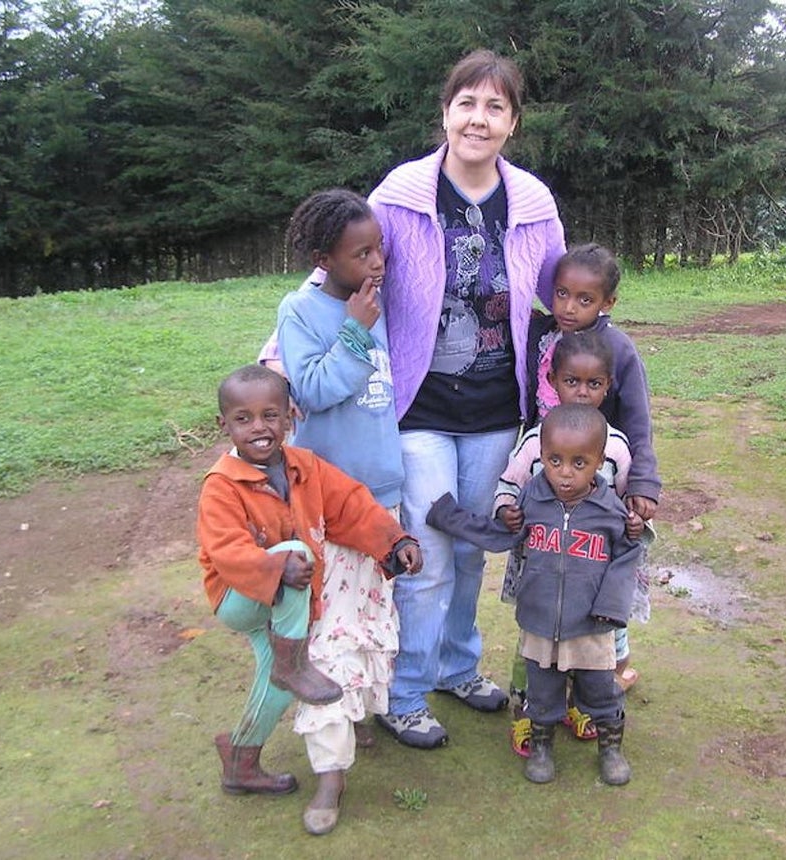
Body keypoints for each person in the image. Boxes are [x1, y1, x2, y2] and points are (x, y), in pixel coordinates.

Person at [366, 48, 567, 749]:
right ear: (446, 112)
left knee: (475, 549)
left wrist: (603, 366)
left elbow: (559, 297)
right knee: (426, 554)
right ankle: (406, 691)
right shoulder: (397, 195)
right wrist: (279, 357)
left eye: (495, 106)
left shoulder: (534, 202)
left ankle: (458, 667)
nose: (478, 119)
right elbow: (340, 276)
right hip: (418, 408)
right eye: (466, 103)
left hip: (493, 412)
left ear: (513, 122)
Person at [196, 365, 422, 826]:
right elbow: (227, 552)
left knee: (275, 684)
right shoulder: (221, 485)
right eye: (244, 418)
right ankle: (295, 662)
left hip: (285, 605)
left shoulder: (304, 466)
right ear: (225, 426)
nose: (259, 427)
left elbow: (351, 504)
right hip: (240, 598)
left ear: (290, 416)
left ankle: (241, 760)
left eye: (270, 415)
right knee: (297, 553)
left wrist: (394, 540)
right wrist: (275, 564)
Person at [273, 188, 405, 835]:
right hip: (326, 508)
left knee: (373, 622)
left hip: (381, 495)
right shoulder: (301, 311)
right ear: (325, 257)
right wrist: (355, 328)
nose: (377, 261)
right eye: (361, 252)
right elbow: (315, 393)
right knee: (327, 635)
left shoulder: (380, 302)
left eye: (378, 247)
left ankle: (356, 721)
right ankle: (329, 774)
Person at [426, 404, 641, 785]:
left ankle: (611, 749)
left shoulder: (611, 511)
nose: (565, 472)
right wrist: (446, 516)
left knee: (600, 693)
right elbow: (498, 535)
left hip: (592, 626)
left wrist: (611, 607)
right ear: (541, 456)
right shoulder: (531, 501)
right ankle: (541, 748)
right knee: (541, 694)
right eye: (554, 460)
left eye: (579, 463)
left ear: (599, 461)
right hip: (540, 623)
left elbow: (627, 557)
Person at [492, 329, 644, 758]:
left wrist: (633, 515)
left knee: (594, 642)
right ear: (552, 380)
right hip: (541, 562)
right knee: (536, 638)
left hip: (592, 567)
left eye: (593, 384)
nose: (581, 392)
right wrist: (507, 510)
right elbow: (509, 483)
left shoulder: (615, 445)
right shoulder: (535, 440)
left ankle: (582, 705)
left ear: (607, 386)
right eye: (570, 382)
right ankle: (532, 709)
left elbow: (630, 493)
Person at [526, 242, 662, 690]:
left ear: (607, 303)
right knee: (552, 578)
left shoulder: (618, 350)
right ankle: (544, 673)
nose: (568, 307)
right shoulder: (542, 339)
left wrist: (642, 481)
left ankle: (613, 671)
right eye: (561, 293)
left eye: (585, 300)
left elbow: (638, 422)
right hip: (549, 489)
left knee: (604, 583)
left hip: (602, 491)